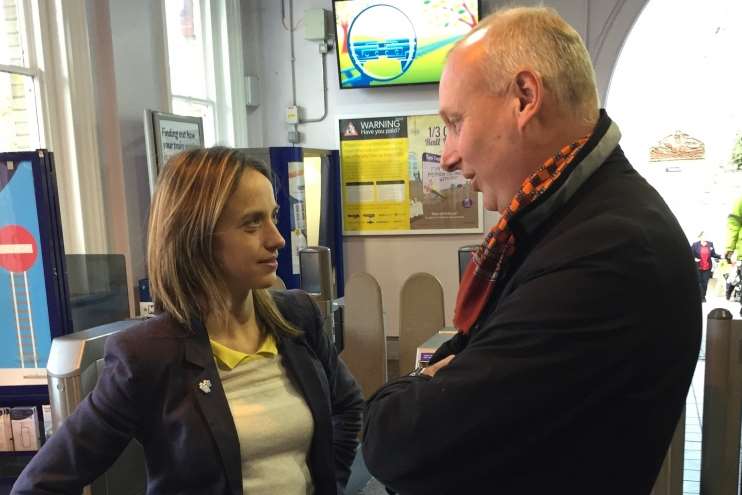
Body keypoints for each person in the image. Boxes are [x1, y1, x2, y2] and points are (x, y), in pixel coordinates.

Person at [362, 6, 701, 495]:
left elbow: (399, 441)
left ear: (525, 97)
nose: (449, 156)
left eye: (456, 122)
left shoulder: (610, 248)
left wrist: (411, 386)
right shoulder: (572, 222)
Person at [12, 147, 363, 495]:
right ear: (197, 237)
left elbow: (346, 406)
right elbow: (40, 483)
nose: (276, 239)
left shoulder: (297, 318)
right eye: (252, 223)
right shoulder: (147, 355)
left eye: (272, 216)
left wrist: (330, 483)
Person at [691, 232, 720, 302]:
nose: (705, 237)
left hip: (707, 267)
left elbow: (713, 254)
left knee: (705, 282)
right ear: (700, 236)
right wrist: (694, 258)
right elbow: (691, 254)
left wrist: (720, 256)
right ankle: (701, 297)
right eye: (703, 236)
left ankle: (703, 296)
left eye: (706, 235)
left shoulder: (710, 244)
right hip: (698, 266)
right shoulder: (695, 244)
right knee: (699, 282)